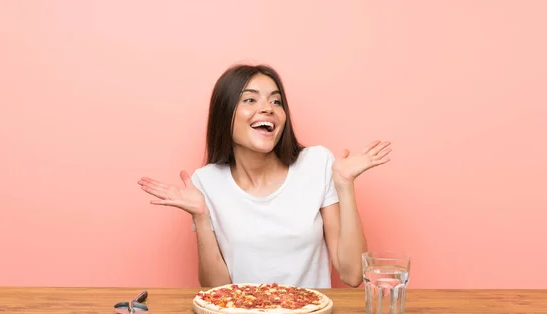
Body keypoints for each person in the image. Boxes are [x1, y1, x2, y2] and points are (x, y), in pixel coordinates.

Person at [138, 64, 391, 289]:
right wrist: (202, 218)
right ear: (225, 114)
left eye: (276, 101)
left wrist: (345, 185)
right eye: (250, 100)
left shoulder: (317, 163)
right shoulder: (206, 182)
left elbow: (353, 275)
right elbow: (216, 289)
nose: (267, 109)